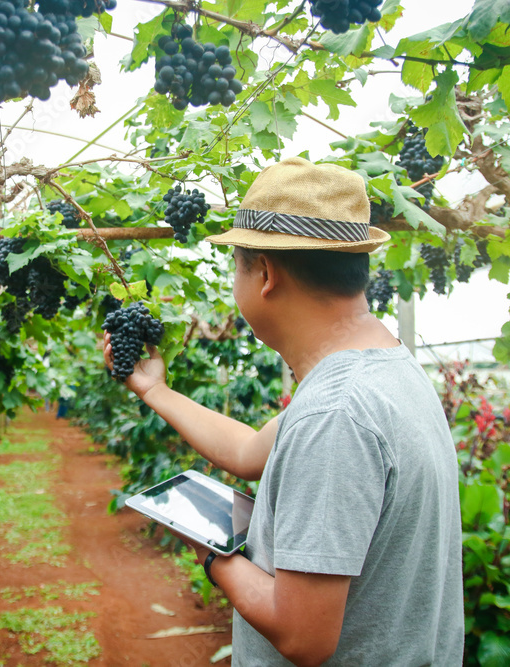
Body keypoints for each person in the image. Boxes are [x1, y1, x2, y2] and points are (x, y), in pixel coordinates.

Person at [103, 157, 464, 666]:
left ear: (266, 274)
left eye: (237, 266)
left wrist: (213, 553)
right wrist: (154, 390)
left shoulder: (335, 414)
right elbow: (250, 452)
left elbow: (303, 636)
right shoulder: (382, 370)